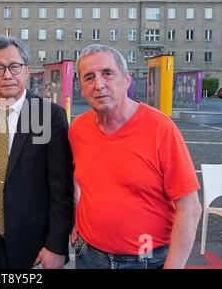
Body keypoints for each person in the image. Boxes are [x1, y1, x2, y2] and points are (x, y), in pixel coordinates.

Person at [69, 44, 202, 269]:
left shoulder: (161, 128)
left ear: (127, 79)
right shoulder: (78, 128)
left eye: (107, 73)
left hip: (147, 260)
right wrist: (76, 219)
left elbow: (190, 207)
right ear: (81, 87)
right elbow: (78, 176)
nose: (98, 85)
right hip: (89, 256)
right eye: (88, 77)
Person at [0, 36, 73, 269]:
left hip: (31, 242)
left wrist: (57, 245)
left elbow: (61, 189)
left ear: (27, 70)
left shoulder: (50, 116)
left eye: (14, 67)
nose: (7, 75)